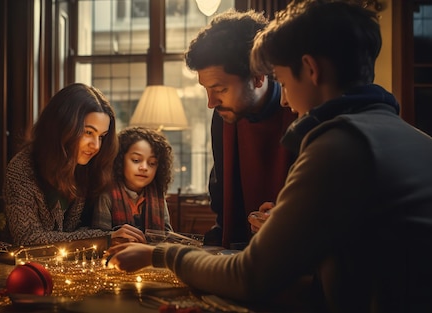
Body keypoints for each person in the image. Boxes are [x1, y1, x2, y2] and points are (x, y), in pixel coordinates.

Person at [105, 1, 432, 312]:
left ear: (310, 69)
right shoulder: (415, 139)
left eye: (284, 81)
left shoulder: (339, 144)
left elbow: (250, 277)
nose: (286, 101)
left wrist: (158, 253)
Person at [185, 9, 298, 248]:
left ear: (258, 77)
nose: (211, 103)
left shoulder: (297, 108)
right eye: (206, 89)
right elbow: (222, 193)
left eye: (220, 89)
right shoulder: (224, 115)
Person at [3, 83, 145, 247]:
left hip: (72, 265)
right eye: (88, 132)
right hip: (24, 268)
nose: (96, 146)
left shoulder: (87, 166)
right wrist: (105, 238)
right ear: (62, 126)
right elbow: (28, 239)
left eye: (101, 136)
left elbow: (81, 229)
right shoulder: (22, 169)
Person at [92, 126, 174, 238]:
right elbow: (98, 238)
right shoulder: (107, 194)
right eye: (136, 160)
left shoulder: (158, 196)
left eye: (152, 163)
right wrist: (113, 236)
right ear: (120, 159)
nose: (144, 167)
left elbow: (167, 237)